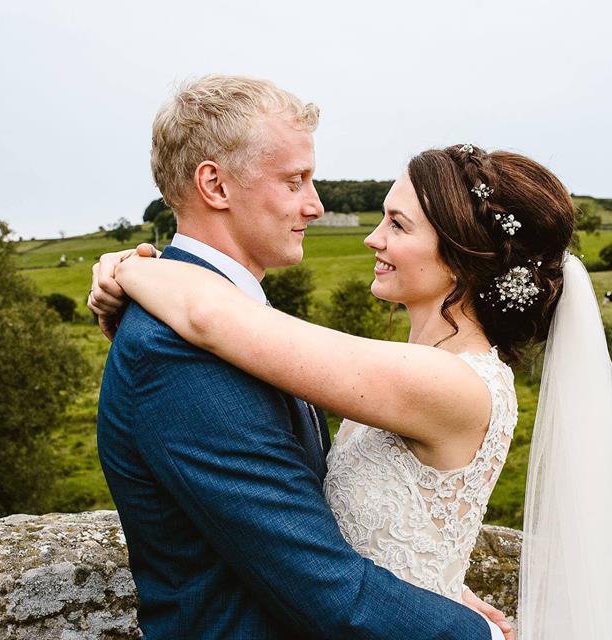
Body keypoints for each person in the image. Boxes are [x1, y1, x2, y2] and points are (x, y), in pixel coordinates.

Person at [92, 140, 612, 637]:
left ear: (461, 257)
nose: (372, 238)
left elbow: (211, 321)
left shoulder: (446, 382)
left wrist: (127, 269)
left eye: (398, 224)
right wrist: (437, 584)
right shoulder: (422, 368)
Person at [91, 75, 511, 640]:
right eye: (295, 181)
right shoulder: (176, 352)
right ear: (214, 185)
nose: (315, 206)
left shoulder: (239, 324)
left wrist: (427, 583)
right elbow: (323, 590)